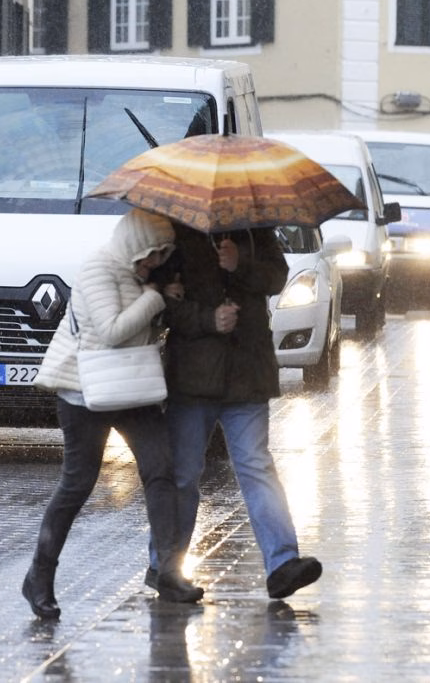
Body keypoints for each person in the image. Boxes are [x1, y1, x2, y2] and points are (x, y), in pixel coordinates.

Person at [23, 207, 204, 620]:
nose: (154, 263)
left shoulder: (145, 276)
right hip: (83, 392)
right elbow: (111, 331)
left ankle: (168, 573)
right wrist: (156, 298)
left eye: (161, 254)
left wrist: (160, 301)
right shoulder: (98, 270)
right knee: (77, 485)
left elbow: (142, 332)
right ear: (132, 247)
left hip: (132, 389)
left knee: (161, 470)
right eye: (149, 255)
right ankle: (39, 576)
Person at [147, 223, 323, 600]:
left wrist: (239, 264)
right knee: (183, 474)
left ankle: (282, 564)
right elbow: (160, 300)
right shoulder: (178, 233)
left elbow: (277, 278)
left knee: (256, 465)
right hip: (193, 379)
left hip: (247, 374)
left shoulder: (256, 230)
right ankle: (165, 566)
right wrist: (206, 319)